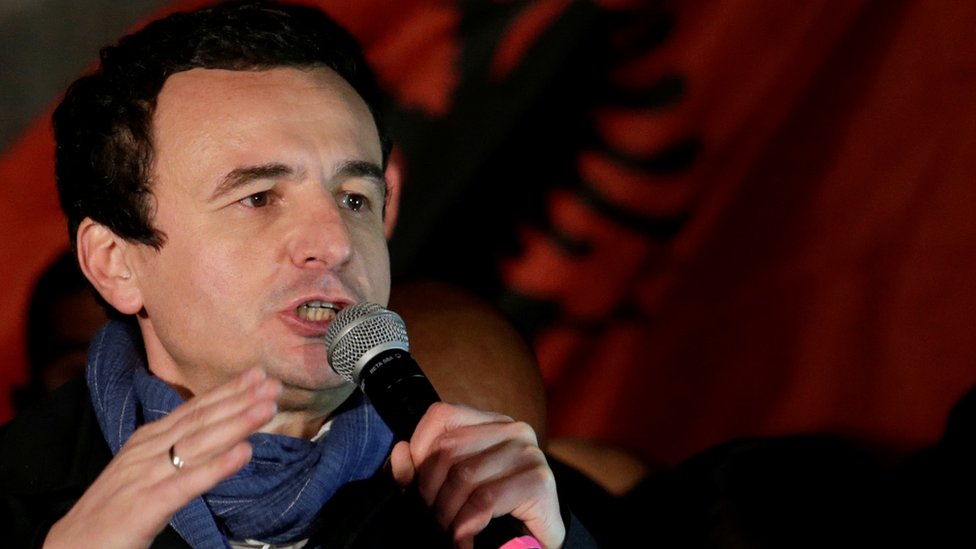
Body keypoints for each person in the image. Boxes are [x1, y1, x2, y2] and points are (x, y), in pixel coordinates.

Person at [0, 2, 598, 547]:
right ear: (115, 262)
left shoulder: (504, 503)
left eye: (355, 198)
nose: (334, 244)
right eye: (258, 198)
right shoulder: (22, 501)